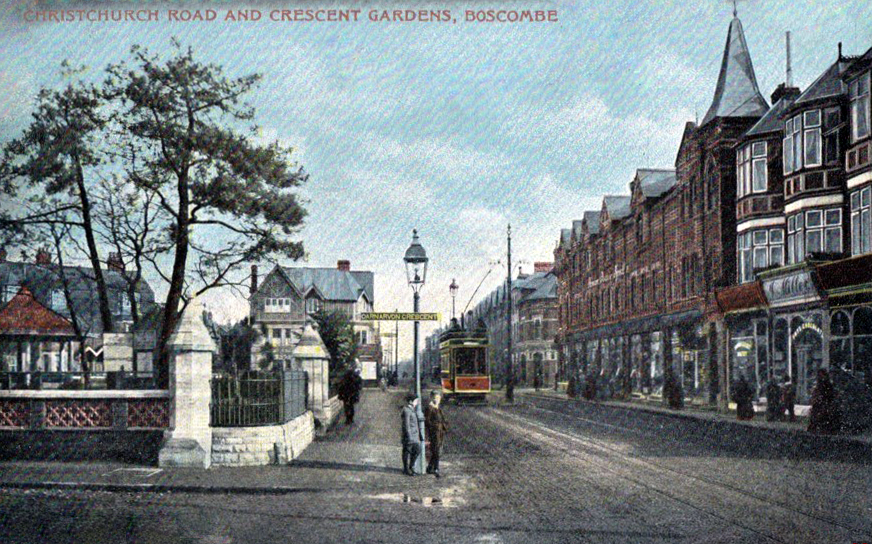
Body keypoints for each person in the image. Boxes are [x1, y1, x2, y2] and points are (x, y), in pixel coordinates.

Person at [808, 369, 841, 435]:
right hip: (821, 405)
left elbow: (829, 395)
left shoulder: (826, 384)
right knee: (817, 419)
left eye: (821, 375)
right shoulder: (821, 384)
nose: (820, 377)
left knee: (822, 419)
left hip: (824, 405)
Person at [424, 390, 448, 478]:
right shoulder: (430, 408)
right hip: (434, 433)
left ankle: (430, 467)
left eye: (438, 398)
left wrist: (444, 426)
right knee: (436, 451)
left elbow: (443, 419)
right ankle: (436, 469)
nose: (437, 400)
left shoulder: (438, 408)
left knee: (437, 451)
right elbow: (427, 421)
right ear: (431, 398)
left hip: (440, 432)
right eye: (435, 398)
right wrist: (436, 426)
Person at [401, 393, 423, 476]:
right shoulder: (406, 410)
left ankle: (411, 467)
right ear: (410, 401)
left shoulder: (412, 410)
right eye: (416, 400)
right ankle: (407, 469)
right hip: (409, 436)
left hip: (415, 436)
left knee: (417, 450)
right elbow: (406, 425)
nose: (417, 402)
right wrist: (409, 437)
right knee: (407, 452)